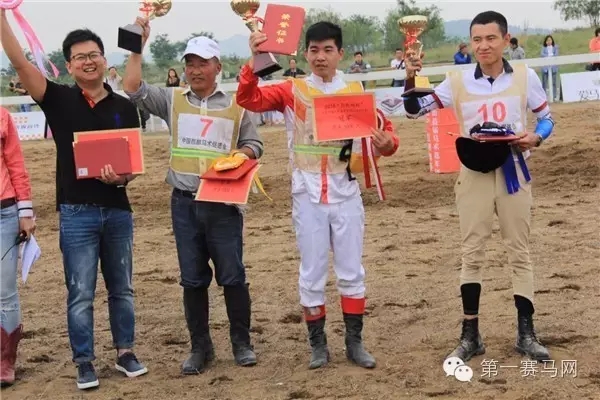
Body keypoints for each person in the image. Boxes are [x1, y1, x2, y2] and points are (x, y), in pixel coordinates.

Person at [236, 21, 400, 370]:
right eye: (314, 50)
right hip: (307, 194)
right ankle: (318, 345)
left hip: (346, 191)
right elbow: (248, 99)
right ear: (305, 54)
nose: (320, 57)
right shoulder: (291, 91)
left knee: (351, 271)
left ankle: (354, 343)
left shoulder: (356, 91)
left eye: (328, 50)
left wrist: (388, 144)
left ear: (341, 53)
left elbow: (386, 137)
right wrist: (254, 58)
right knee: (312, 272)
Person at [1, 13, 147, 390]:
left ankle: (125, 352)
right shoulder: (58, 99)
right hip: (76, 212)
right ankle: (84, 361)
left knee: (122, 288)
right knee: (80, 292)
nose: (88, 61)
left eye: (94, 54)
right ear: (69, 65)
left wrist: (122, 178)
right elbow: (20, 63)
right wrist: (1, 16)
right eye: (79, 57)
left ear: (104, 59)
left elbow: (133, 164)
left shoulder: (124, 106)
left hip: (118, 211)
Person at [403, 10, 553, 362]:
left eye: (490, 38)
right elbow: (413, 111)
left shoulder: (525, 76)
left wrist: (537, 137)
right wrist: (410, 78)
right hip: (473, 174)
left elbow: (546, 118)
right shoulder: (455, 81)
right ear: (471, 43)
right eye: (477, 40)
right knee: (472, 252)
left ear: (505, 40)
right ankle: (470, 334)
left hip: (514, 171)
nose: (483, 46)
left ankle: (526, 333)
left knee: (519, 251)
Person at [122, 21, 264, 375]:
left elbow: (254, 143)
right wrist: (137, 47)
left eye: (203, 63)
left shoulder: (237, 105)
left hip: (224, 204)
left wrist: (242, 154)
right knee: (192, 278)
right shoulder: (172, 100)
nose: (195, 70)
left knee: (232, 275)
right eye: (190, 63)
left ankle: (241, 343)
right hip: (184, 203)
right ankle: (200, 348)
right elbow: (133, 88)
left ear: (218, 67)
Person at [0, 106, 36, 387]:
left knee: (5, 291)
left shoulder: (2, 116)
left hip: (4, 211)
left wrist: (25, 211)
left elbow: (15, 163)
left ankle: (5, 360)